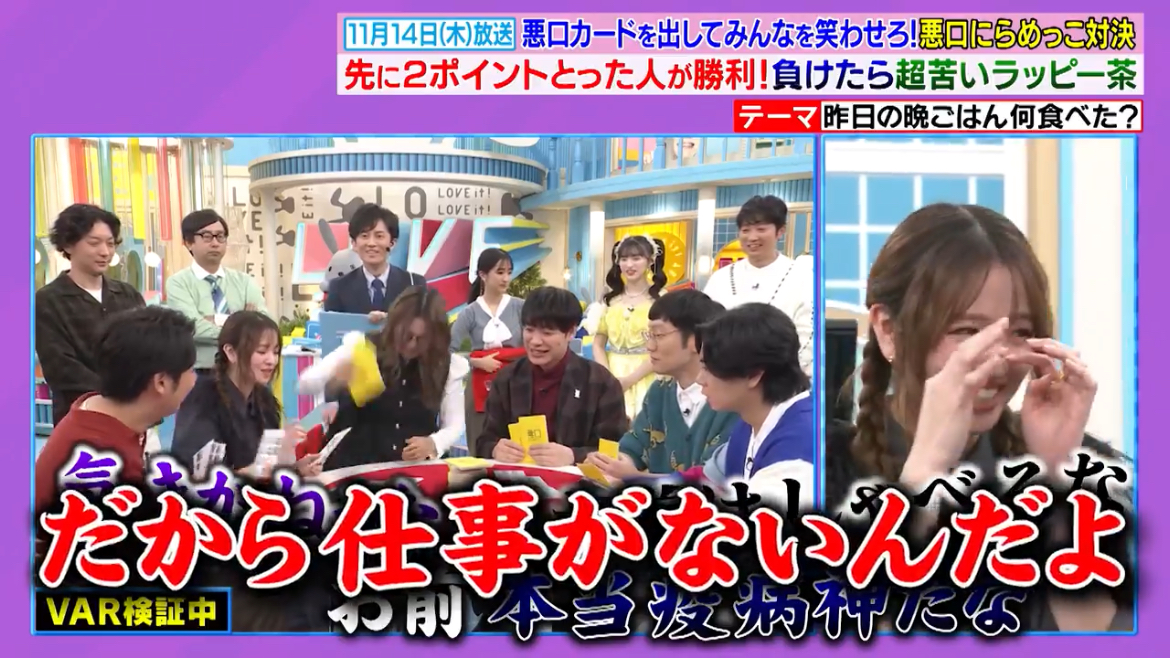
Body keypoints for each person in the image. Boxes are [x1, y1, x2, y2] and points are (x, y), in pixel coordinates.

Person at [824, 203, 1130, 632]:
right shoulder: (818, 470)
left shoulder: (1081, 468)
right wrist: (925, 475)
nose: (999, 359)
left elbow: (1102, 637)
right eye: (967, 331)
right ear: (888, 330)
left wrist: (1055, 476)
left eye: (1020, 332)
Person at [35, 307, 197, 514]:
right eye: (190, 370)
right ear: (161, 382)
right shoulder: (105, 461)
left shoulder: (96, 410)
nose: (194, 380)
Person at [585, 289, 737, 477]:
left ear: (696, 340)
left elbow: (711, 478)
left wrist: (636, 478)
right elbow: (633, 446)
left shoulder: (731, 401)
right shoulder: (660, 391)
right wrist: (608, 463)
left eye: (658, 335)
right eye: (648, 335)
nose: (649, 346)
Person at [318, 286, 470, 469]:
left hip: (414, 469)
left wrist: (433, 443)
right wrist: (335, 393)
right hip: (357, 465)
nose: (412, 345)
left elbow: (454, 424)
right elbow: (325, 394)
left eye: (421, 339)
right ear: (393, 327)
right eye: (407, 336)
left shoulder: (448, 365)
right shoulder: (363, 349)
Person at [476, 286, 629, 466]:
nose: (535, 341)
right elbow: (484, 441)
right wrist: (495, 449)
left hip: (578, 481)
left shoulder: (601, 383)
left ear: (570, 332)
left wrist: (574, 456)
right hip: (516, 479)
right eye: (529, 330)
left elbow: (615, 451)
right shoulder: (507, 379)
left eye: (547, 333)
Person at [170, 311, 319, 480]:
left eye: (276, 352)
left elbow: (264, 469)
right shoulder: (203, 400)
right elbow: (203, 479)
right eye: (262, 352)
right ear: (231, 352)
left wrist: (295, 469)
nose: (271, 360)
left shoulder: (265, 401)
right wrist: (274, 459)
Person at [36, 204, 145, 425]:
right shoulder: (48, 300)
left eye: (110, 243)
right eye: (94, 243)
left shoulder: (127, 294)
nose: (105, 252)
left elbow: (149, 349)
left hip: (136, 416)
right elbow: (61, 367)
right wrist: (115, 395)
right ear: (68, 244)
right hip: (80, 418)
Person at [697, 303, 814, 506]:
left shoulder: (797, 453)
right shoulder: (750, 420)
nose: (700, 379)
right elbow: (708, 478)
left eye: (709, 369)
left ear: (753, 375)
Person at [703, 195, 813, 375]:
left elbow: (808, 336)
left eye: (761, 229)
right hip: (726, 376)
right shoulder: (721, 278)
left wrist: (773, 374)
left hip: (782, 377)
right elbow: (706, 327)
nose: (752, 237)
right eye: (745, 230)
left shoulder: (803, 276)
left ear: (780, 231)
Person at [164, 209, 269, 375]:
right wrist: (242, 325)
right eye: (207, 236)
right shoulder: (178, 283)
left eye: (220, 236)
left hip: (243, 369)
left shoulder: (245, 281)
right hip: (201, 371)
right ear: (189, 242)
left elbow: (264, 322)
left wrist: (214, 320)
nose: (215, 243)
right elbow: (193, 327)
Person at [450, 248, 526, 456]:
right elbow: (448, 351)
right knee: (480, 441)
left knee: (518, 445)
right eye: (500, 272)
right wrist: (475, 362)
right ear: (483, 275)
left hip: (517, 382)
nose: (506, 278)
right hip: (480, 385)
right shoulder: (469, 313)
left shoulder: (520, 307)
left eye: (509, 272)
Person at [592, 235, 668, 419]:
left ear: (650, 261)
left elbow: (663, 347)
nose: (629, 265)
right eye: (624, 259)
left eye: (636, 258)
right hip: (611, 374)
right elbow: (598, 344)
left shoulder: (661, 299)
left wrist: (629, 380)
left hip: (648, 373)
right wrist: (609, 379)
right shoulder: (610, 300)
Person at [323, 203, 426, 321]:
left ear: (392, 243)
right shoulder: (339, 287)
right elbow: (331, 328)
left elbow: (426, 326)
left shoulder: (414, 284)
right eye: (364, 236)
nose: (371, 243)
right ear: (354, 244)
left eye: (379, 236)